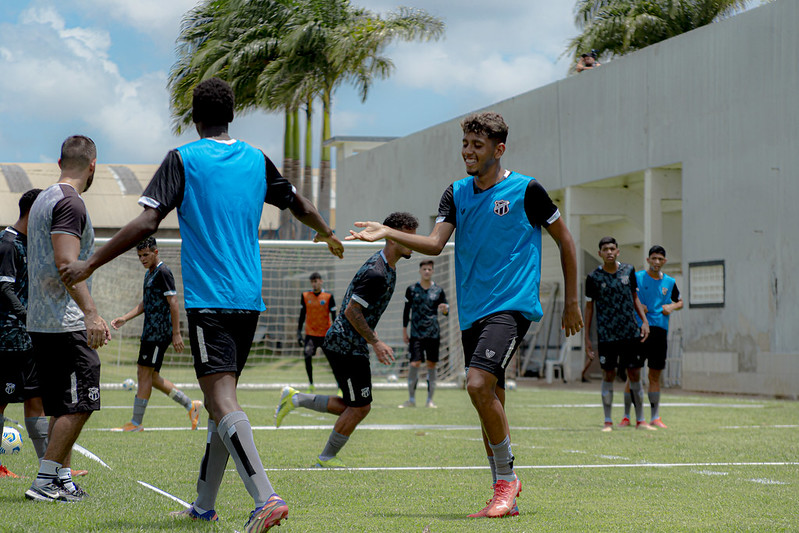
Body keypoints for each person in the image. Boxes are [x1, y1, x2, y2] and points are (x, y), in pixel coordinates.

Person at [58, 78, 343, 532]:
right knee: (216, 405)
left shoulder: (183, 159)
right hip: (249, 301)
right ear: (232, 115)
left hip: (211, 301)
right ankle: (204, 506)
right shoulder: (254, 157)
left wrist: (92, 262)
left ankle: (266, 497)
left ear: (194, 118)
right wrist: (327, 232)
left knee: (221, 398)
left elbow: (149, 219)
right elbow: (298, 203)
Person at [345, 112, 583, 519]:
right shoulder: (455, 192)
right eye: (465, 145)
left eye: (477, 145)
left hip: (511, 307)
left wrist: (574, 302)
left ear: (499, 149)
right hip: (472, 312)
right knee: (490, 399)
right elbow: (435, 244)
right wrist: (388, 232)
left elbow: (565, 240)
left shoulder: (527, 190)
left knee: (476, 384)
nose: (468, 152)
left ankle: (507, 483)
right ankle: (503, 494)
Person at [275, 212, 417, 465]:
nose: (415, 242)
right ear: (392, 238)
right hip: (345, 345)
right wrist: (376, 342)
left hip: (350, 344)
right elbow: (352, 310)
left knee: (354, 405)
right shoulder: (377, 273)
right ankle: (325, 458)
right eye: (409, 237)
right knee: (360, 407)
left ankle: (295, 399)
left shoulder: (388, 267)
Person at [24, 135, 110, 502]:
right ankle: (45, 481)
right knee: (83, 401)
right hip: (64, 321)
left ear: (60, 162)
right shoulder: (70, 203)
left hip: (41, 320)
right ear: (93, 166)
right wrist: (91, 313)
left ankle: (61, 478)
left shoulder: (43, 197)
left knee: (61, 405)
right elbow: (66, 265)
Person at [110, 236, 202, 432]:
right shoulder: (149, 274)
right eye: (140, 256)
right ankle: (190, 405)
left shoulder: (163, 272)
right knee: (152, 377)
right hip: (149, 332)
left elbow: (174, 303)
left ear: (155, 252)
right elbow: (146, 303)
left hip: (158, 334)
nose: (143, 259)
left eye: (146, 255)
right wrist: (125, 318)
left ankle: (136, 423)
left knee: (143, 374)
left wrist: (176, 333)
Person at [583, 237, 653, 432]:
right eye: (605, 249)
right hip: (606, 335)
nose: (609, 252)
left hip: (630, 333)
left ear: (618, 251)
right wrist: (587, 338)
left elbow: (635, 297)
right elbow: (589, 309)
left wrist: (644, 322)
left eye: (612, 248)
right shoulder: (593, 278)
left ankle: (640, 420)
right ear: (600, 254)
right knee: (608, 374)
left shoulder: (628, 271)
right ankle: (607, 421)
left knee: (635, 374)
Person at [0, 188, 45, 479]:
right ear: (34, 212)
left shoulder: (31, 243)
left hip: (28, 339)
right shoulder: (7, 243)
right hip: (8, 338)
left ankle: (49, 469)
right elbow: (4, 287)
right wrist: (27, 316)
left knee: (36, 399)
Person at [619, 245, 682, 429]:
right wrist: (638, 308)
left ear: (664, 261)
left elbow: (680, 301)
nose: (656, 262)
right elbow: (626, 298)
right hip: (639, 331)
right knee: (633, 374)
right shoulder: (637, 277)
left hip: (660, 332)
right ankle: (626, 416)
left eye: (660, 259)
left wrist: (672, 307)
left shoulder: (669, 282)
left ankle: (655, 416)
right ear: (648, 260)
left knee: (655, 376)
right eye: (653, 258)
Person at [398, 259, 449, 409]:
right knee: (414, 363)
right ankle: (411, 399)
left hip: (433, 333)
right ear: (420, 271)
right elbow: (406, 311)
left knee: (431, 365)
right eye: (424, 269)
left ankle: (429, 400)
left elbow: (446, 311)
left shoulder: (439, 291)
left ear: (432, 271)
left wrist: (445, 310)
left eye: (429, 269)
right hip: (416, 333)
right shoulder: (411, 289)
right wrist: (404, 331)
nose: (427, 271)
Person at [297, 272, 336, 392]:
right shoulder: (305, 296)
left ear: (321, 281)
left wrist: (335, 333)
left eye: (316, 281)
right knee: (307, 356)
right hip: (310, 335)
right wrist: (299, 333)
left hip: (325, 335)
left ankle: (340, 385)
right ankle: (311, 384)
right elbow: (302, 316)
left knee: (333, 361)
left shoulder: (328, 296)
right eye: (312, 282)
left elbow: (334, 316)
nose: (314, 284)